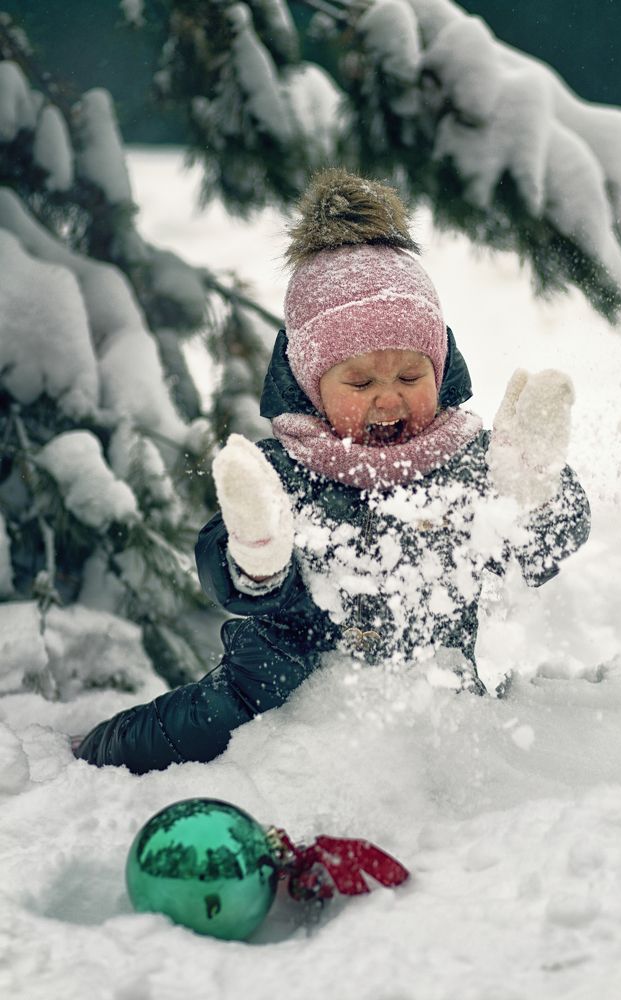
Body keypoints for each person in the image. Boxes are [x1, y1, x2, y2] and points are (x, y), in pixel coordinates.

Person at [75, 169, 590, 774]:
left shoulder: (472, 463)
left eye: (411, 376)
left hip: (429, 706)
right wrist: (257, 559)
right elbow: (217, 565)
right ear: (313, 386)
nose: (389, 398)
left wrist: (532, 497)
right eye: (360, 382)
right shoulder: (286, 469)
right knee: (170, 735)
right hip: (269, 697)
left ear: (440, 367)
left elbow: (543, 548)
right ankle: (88, 749)